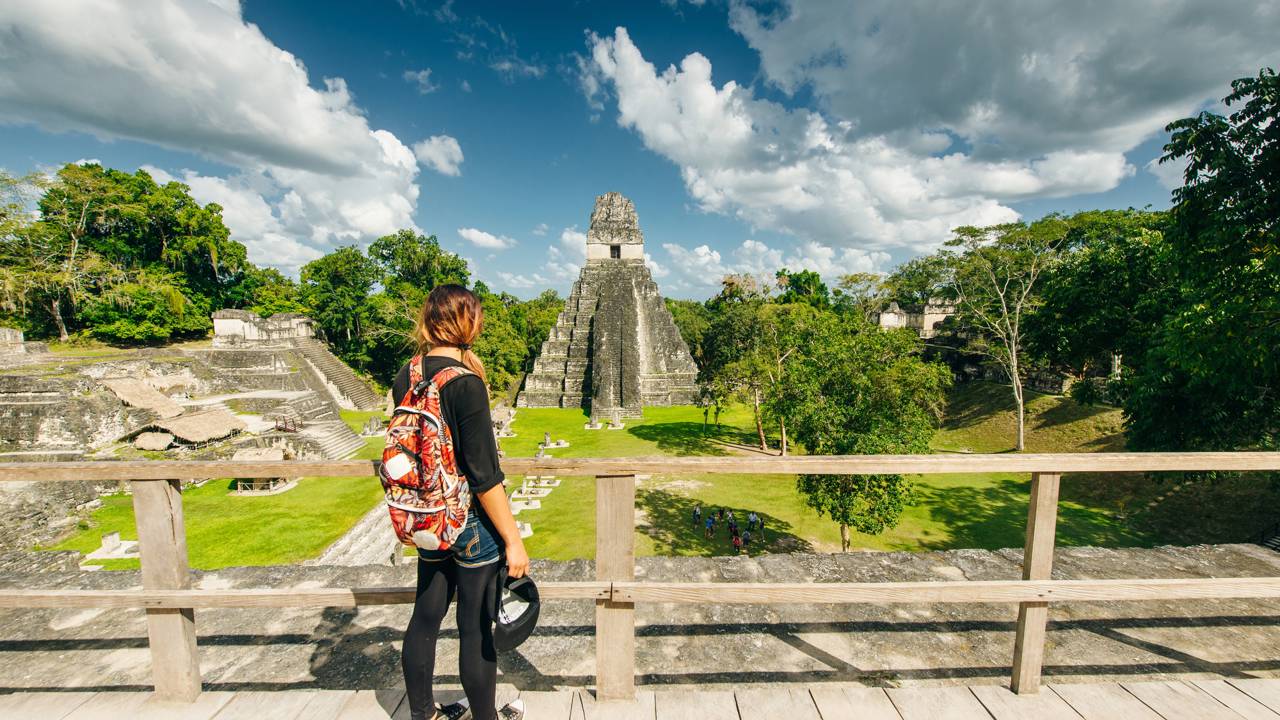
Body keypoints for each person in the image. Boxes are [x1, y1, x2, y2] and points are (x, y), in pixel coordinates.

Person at [392, 285, 528, 720]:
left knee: (425, 618)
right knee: (474, 629)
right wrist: (513, 539)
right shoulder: (466, 384)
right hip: (468, 523)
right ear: (468, 322)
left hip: (426, 518)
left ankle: (422, 714)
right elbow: (485, 477)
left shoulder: (406, 375)